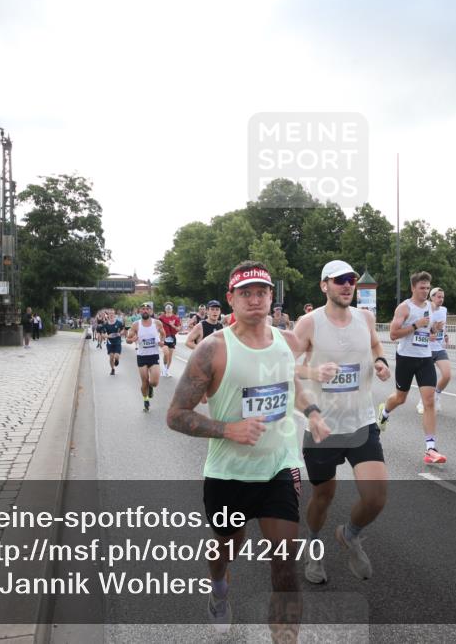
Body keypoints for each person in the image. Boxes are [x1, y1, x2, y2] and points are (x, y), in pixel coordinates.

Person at [166, 260, 330, 638]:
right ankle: (220, 588)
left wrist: (312, 412)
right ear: (231, 299)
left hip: (279, 467)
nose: (254, 299)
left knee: (285, 561)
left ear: (272, 297)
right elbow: (175, 415)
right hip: (228, 475)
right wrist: (227, 429)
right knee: (226, 546)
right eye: (246, 293)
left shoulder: (288, 342)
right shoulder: (212, 349)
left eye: (261, 292)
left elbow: (290, 385)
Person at [293, 260, 391, 584]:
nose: (348, 285)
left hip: (361, 422)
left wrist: (379, 361)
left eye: (351, 280)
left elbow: (376, 344)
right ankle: (314, 545)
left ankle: (350, 534)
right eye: (339, 281)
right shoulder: (309, 323)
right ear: (324, 286)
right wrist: (312, 372)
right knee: (323, 496)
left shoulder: (365, 318)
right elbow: (283, 364)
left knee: (376, 497)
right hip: (323, 426)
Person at [377, 271, 446, 464]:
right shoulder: (404, 308)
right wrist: (415, 325)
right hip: (406, 358)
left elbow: (428, 332)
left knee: (429, 401)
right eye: (422, 288)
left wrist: (434, 330)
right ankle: (384, 413)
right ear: (413, 288)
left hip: (425, 358)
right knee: (400, 398)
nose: (425, 291)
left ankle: (430, 448)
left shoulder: (431, 308)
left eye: (427, 288)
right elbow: (392, 334)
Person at [417, 287, 453, 414]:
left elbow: (444, 326)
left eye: (442, 297)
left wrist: (446, 336)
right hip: (426, 350)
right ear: (431, 297)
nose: (441, 299)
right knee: (427, 381)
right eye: (438, 297)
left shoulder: (443, 310)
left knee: (447, 375)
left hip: (439, 348)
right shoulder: (425, 310)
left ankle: (436, 396)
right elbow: (418, 329)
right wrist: (428, 336)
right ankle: (422, 402)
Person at [126, 302, 166, 412]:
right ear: (140, 311)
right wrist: (132, 340)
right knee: (144, 381)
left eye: (147, 309)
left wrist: (162, 341)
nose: (145, 311)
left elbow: (163, 334)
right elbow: (127, 339)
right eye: (143, 309)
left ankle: (151, 388)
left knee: (154, 382)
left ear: (151, 311)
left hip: (153, 355)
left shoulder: (157, 323)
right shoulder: (136, 325)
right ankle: (146, 400)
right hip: (142, 356)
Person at [159, 303, 181, 377]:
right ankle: (164, 369)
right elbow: (157, 328)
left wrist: (172, 325)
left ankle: (166, 371)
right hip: (164, 337)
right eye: (167, 308)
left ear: (172, 309)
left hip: (172, 338)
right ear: (165, 309)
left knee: (170, 356)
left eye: (170, 308)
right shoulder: (161, 318)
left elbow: (178, 329)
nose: (168, 309)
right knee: (166, 353)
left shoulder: (176, 318)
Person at [104, 308, 125, 375]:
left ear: (114, 314)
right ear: (108, 315)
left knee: (116, 356)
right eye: (110, 314)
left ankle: (117, 360)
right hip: (110, 342)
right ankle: (112, 369)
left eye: (112, 313)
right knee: (111, 356)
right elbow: (103, 334)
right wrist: (108, 336)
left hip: (117, 341)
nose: (111, 315)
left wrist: (120, 333)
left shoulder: (119, 323)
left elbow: (123, 330)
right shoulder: (106, 324)